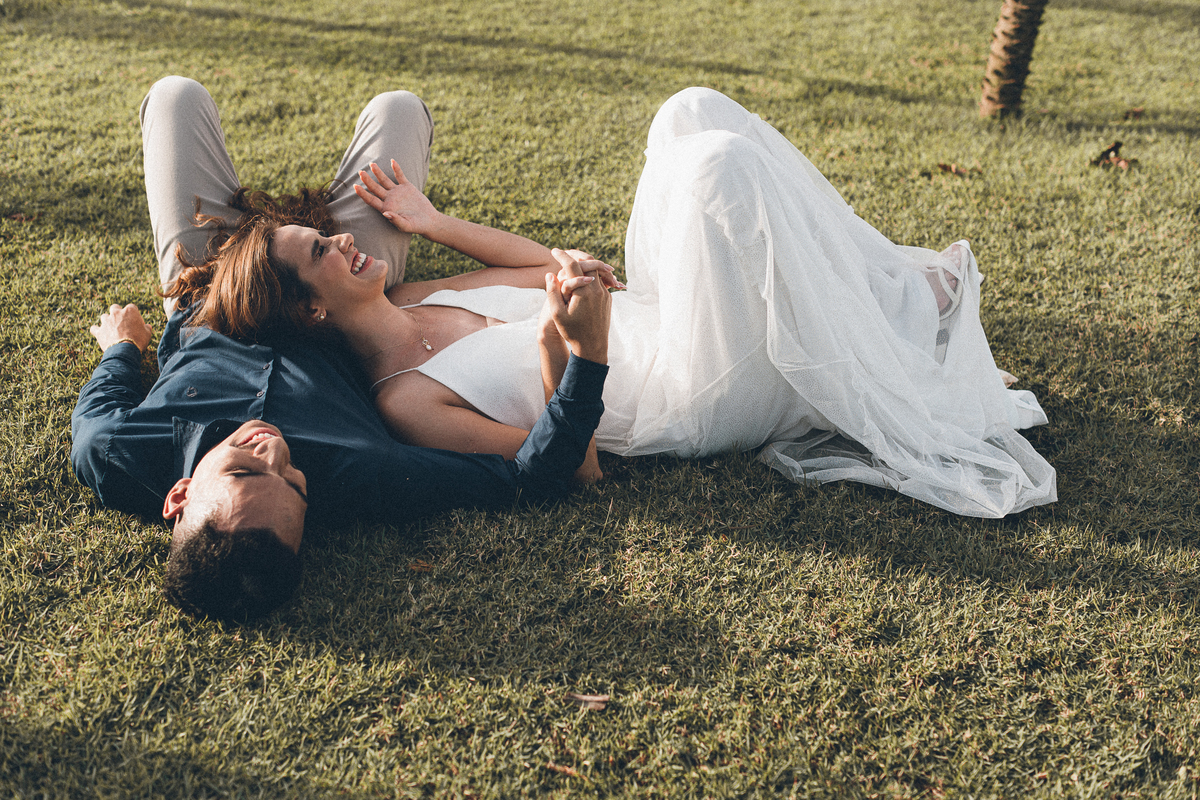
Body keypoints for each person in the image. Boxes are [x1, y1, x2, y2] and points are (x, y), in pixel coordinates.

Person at [181, 85, 1056, 518]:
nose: (342, 239)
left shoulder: (418, 292)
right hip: (689, 393)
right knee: (717, 168)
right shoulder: (407, 402)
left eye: (325, 233)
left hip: (662, 312)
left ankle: (887, 293)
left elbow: (537, 267)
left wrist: (437, 221)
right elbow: (572, 470)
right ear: (311, 311)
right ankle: (897, 306)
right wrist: (565, 350)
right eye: (320, 252)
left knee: (689, 112)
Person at [70, 76, 612, 622]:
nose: (273, 450)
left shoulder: (116, 453)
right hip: (335, 287)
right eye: (294, 482)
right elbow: (532, 476)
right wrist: (584, 359)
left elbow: (98, 411)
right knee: (398, 109)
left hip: (207, 285)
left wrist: (123, 348)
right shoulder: (362, 471)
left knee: (175, 97)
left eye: (244, 472)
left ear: (180, 495)